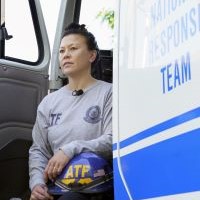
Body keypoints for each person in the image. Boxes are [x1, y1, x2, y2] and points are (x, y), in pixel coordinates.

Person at [29, 23, 113, 200]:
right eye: (61, 51)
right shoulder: (48, 102)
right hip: (55, 188)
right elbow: (39, 150)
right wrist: (37, 184)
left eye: (73, 48)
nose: (66, 54)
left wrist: (70, 149)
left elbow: (113, 140)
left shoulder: (109, 93)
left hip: (95, 188)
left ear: (92, 55)